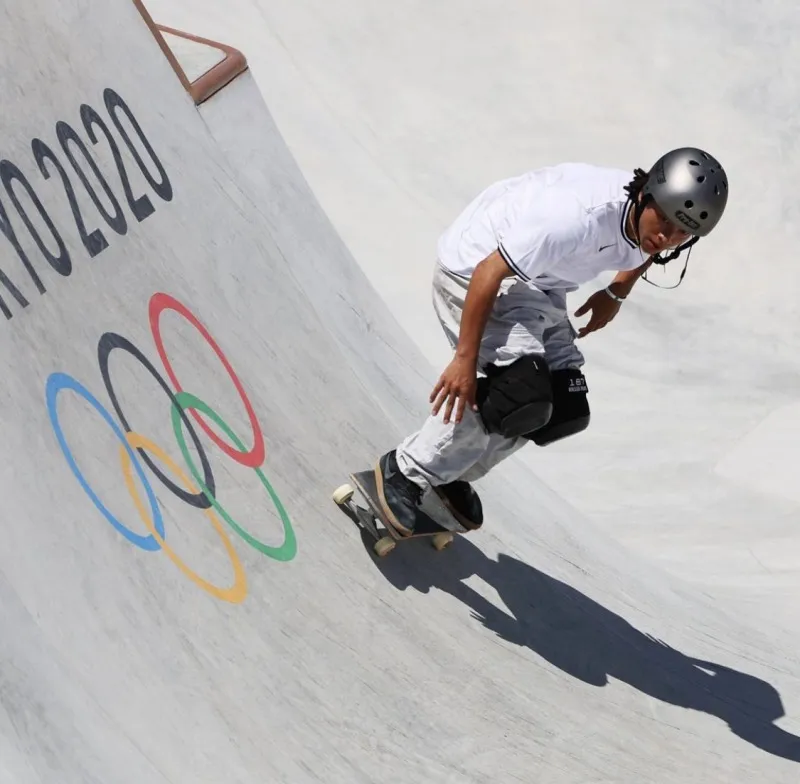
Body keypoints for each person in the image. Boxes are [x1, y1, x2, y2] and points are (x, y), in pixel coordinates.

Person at [374, 147, 729, 535]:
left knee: (564, 407)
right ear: (645, 194)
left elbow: (649, 248)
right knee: (513, 393)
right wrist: (464, 360)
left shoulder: (654, 229)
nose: (665, 237)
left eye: (682, 231)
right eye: (662, 220)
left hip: (541, 284)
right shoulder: (574, 217)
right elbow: (487, 273)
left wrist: (616, 293)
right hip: (472, 270)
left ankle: (447, 476)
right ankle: (402, 473)